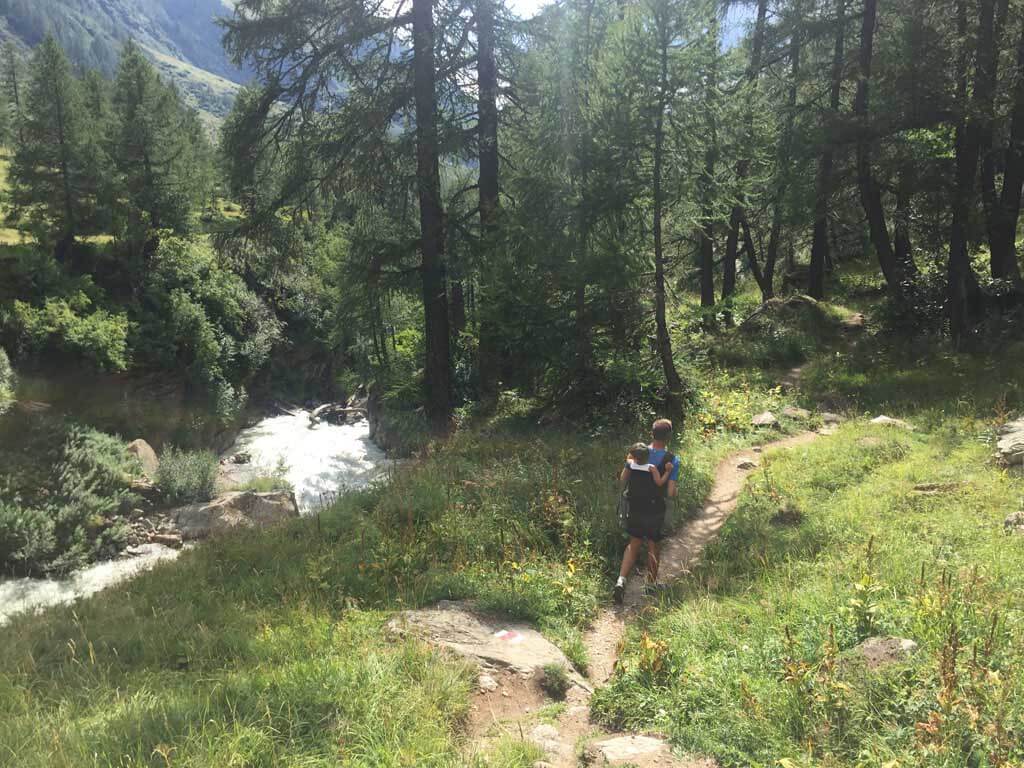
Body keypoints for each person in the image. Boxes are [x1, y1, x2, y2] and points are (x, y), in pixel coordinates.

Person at [613, 418, 681, 605]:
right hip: (655, 509)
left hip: (634, 506)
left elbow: (622, 481)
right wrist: (674, 489)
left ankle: (621, 580)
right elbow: (670, 492)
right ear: (669, 437)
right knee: (653, 545)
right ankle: (650, 584)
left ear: (652, 434)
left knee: (633, 543)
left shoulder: (637, 453)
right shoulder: (672, 460)